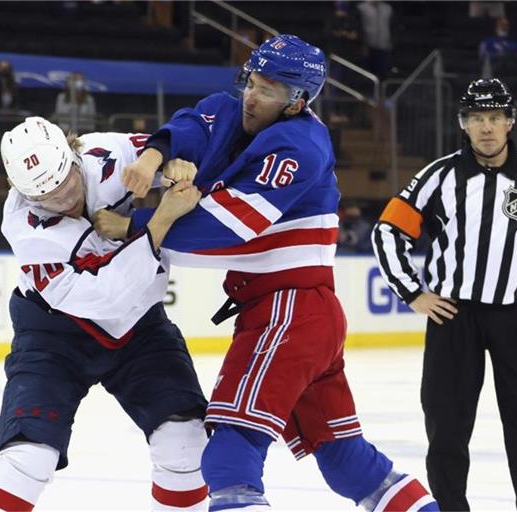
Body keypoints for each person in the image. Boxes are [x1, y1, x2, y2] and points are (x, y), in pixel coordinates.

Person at [94, 34, 438, 512]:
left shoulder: (299, 147)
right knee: (347, 462)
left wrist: (135, 225)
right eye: (251, 81)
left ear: (299, 100)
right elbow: (198, 122)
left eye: (270, 88)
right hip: (303, 315)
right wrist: (155, 154)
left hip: (288, 312)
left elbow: (227, 228)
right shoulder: (242, 111)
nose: (252, 95)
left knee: (229, 457)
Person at [0, 117, 210, 511]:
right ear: (19, 190)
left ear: (71, 152)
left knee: (186, 445)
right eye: (46, 195)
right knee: (28, 459)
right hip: (54, 336)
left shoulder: (106, 152)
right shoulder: (26, 228)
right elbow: (109, 296)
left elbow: (186, 133)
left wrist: (167, 160)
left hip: (141, 329)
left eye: (65, 179)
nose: (64, 197)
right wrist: (161, 219)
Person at [370, 78, 517, 511]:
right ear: (463, 125)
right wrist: (413, 294)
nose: (486, 127)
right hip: (454, 317)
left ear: (510, 122)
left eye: (493, 118)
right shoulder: (438, 176)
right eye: (476, 118)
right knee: (447, 427)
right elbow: (387, 231)